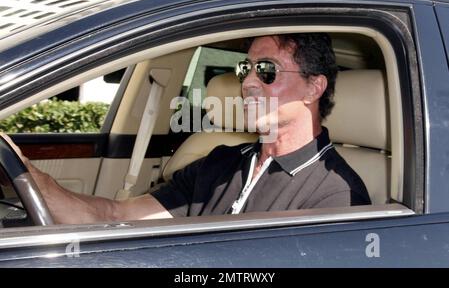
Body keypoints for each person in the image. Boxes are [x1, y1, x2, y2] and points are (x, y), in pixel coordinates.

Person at [2, 33, 371, 224]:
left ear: (314, 87)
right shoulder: (222, 162)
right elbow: (114, 216)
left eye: (268, 70)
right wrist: (29, 177)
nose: (248, 83)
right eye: (245, 69)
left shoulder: (337, 195)